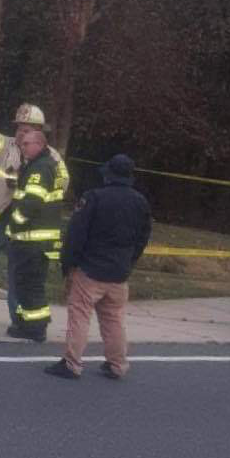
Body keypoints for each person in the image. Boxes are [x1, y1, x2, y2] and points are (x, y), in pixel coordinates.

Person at [0, 103, 68, 323]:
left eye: (27, 129)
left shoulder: (52, 156)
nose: (21, 132)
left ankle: (17, 313)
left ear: (39, 131)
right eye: (19, 127)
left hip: (25, 219)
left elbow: (62, 182)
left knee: (16, 267)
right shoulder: (5, 145)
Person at [45, 154, 152, 381]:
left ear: (109, 174)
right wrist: (129, 262)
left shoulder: (94, 198)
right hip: (119, 272)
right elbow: (143, 237)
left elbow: (76, 234)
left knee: (80, 316)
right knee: (114, 319)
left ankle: (72, 363)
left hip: (91, 270)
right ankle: (117, 364)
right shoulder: (140, 201)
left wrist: (68, 264)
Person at [5, 128, 63, 342]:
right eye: (22, 144)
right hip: (34, 240)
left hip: (33, 241)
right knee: (26, 284)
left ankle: (36, 328)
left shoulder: (41, 168)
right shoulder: (38, 165)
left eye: (27, 143)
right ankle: (26, 323)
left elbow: (32, 202)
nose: (23, 147)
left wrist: (14, 223)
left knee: (30, 284)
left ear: (40, 144)